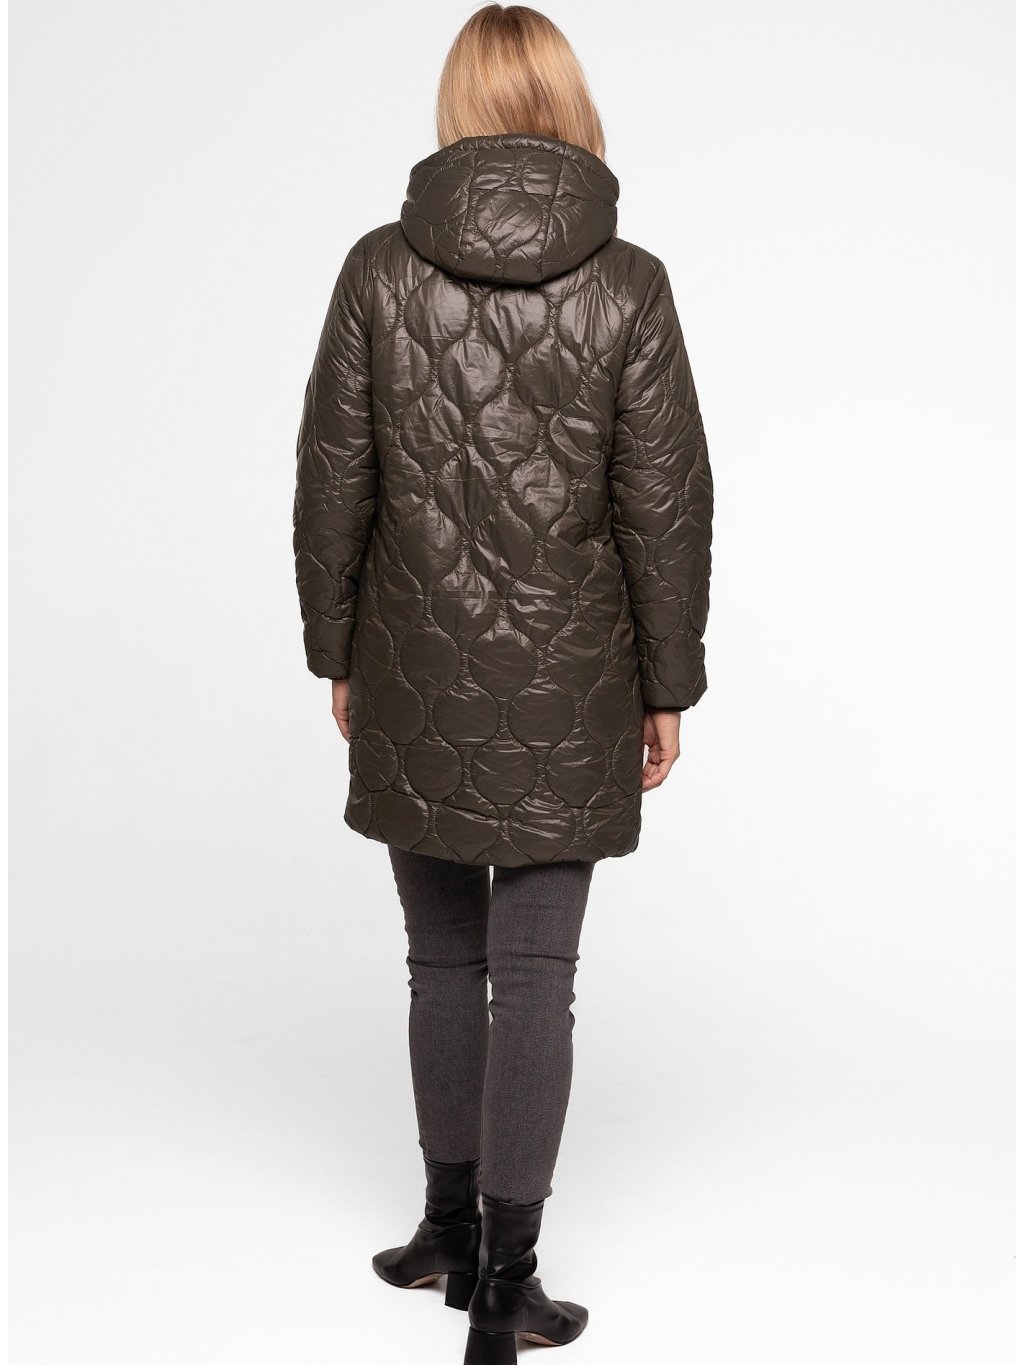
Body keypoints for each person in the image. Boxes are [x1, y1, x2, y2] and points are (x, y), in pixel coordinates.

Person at [292, 6, 713, 1361]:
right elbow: (666, 507)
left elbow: (331, 480)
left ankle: (445, 1231)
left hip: (409, 661)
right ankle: (505, 1284)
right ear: (570, 107)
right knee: (534, 976)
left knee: (440, 959)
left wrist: (338, 650)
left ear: (456, 106)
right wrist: (668, 681)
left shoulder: (377, 269)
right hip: (575, 676)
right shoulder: (630, 284)